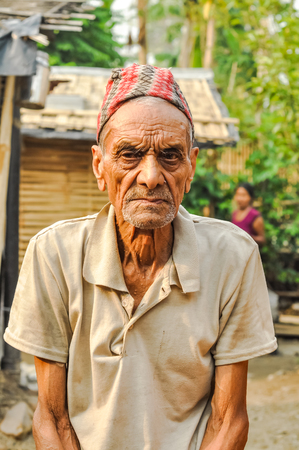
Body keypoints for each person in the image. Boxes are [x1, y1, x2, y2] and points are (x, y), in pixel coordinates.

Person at [4, 64, 277, 450]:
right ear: (100, 167)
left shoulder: (233, 256)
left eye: (169, 156)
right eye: (129, 155)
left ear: (191, 167)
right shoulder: (54, 254)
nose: (150, 176)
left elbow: (228, 419)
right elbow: (51, 418)